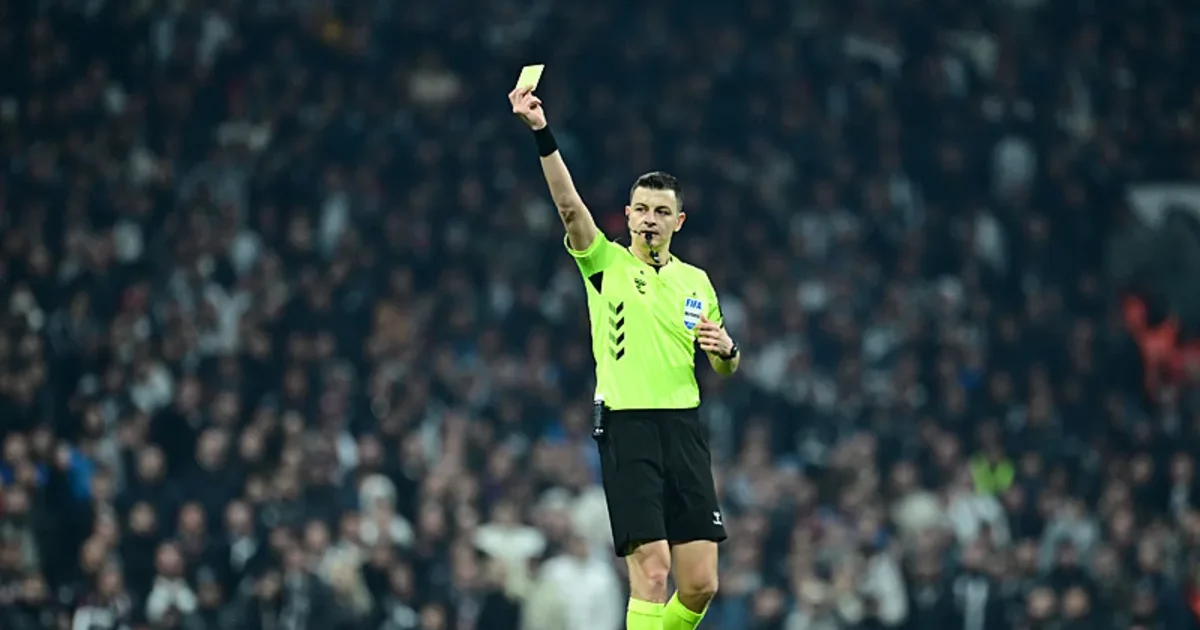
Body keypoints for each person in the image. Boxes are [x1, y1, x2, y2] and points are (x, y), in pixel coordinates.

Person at [509, 84, 741, 630]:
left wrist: (728, 352)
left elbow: (723, 365)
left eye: (661, 211)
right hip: (627, 423)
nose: (649, 219)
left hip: (684, 427)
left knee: (701, 584)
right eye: (641, 209)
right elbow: (569, 207)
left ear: (678, 222)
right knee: (653, 569)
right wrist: (542, 133)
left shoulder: (697, 282)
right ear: (627, 215)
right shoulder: (605, 264)